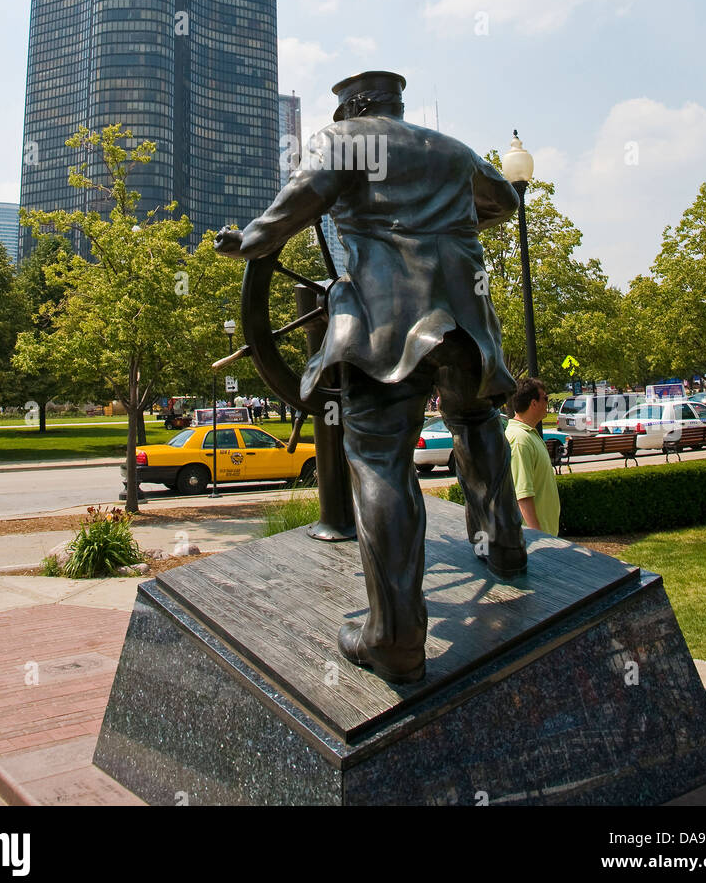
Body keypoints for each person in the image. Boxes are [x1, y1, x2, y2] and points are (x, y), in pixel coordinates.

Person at [215, 70, 525, 685]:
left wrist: (246, 241)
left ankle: (395, 638)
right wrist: (445, 227)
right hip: (468, 314)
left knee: (382, 460)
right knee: (475, 419)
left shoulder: (346, 142)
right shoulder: (453, 151)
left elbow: (298, 203)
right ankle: (506, 549)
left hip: (388, 321)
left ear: (354, 108)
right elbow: (505, 203)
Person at [503, 377, 561, 537]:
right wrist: (540, 537)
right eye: (545, 398)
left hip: (544, 538)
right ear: (533, 403)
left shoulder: (528, 435)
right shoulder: (519, 440)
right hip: (533, 543)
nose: (547, 403)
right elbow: (523, 495)